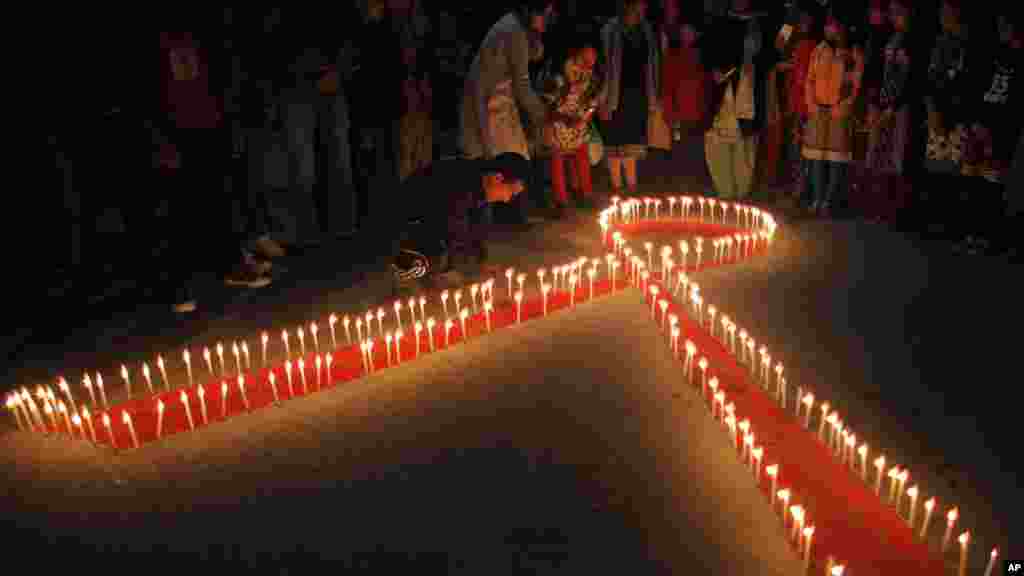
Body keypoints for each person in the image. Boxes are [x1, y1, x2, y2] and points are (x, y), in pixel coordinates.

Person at [157, 31, 272, 314]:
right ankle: (180, 286)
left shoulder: (196, 34)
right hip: (175, 132)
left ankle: (231, 265)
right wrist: (160, 139)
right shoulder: (160, 42)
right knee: (180, 212)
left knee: (219, 199)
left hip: (208, 124)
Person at [460, 0, 554, 224]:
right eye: (545, 15)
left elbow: (529, 60)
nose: (547, 21)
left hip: (498, 101)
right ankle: (493, 219)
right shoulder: (513, 31)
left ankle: (510, 214)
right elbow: (522, 87)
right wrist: (543, 117)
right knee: (497, 159)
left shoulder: (515, 28)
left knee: (512, 154)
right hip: (486, 103)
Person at [391, 153, 531, 291]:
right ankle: (406, 274)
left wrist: (480, 262)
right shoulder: (460, 183)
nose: (507, 200)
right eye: (511, 192)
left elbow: (476, 228)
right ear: (497, 178)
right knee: (433, 255)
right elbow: (453, 229)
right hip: (404, 220)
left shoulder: (481, 182)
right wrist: (451, 270)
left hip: (429, 220)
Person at [800, 8, 863, 216]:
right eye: (828, 26)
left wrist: (843, 106)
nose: (830, 30)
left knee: (836, 158)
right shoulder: (818, 50)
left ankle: (829, 201)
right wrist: (811, 103)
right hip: (818, 110)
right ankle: (817, 198)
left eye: (834, 26)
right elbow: (809, 79)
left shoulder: (852, 54)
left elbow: (855, 84)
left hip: (838, 112)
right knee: (816, 156)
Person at [862, 0, 920, 223]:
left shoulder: (914, 40)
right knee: (877, 151)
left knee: (896, 155)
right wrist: (878, 102)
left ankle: (893, 210)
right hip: (883, 102)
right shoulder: (888, 37)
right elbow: (879, 71)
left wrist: (894, 106)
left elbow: (911, 78)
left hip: (901, 106)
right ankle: (876, 204)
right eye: (892, 13)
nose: (895, 17)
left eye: (899, 13)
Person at [599, 0, 661, 198]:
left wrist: (653, 96)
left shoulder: (647, 30)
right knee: (615, 142)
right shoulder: (610, 30)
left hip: (638, 95)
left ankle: (632, 187)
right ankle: (618, 188)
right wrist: (603, 100)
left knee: (632, 142)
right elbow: (603, 68)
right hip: (614, 95)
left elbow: (652, 64)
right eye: (640, 4)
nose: (644, 7)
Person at [541, 29, 600, 213]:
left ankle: (585, 194)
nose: (590, 64)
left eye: (593, 60)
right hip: (558, 122)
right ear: (577, 55)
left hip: (578, 122)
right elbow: (547, 103)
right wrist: (563, 118)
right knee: (558, 159)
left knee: (581, 156)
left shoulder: (591, 78)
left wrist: (584, 118)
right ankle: (561, 200)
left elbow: (592, 102)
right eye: (586, 59)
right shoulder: (560, 76)